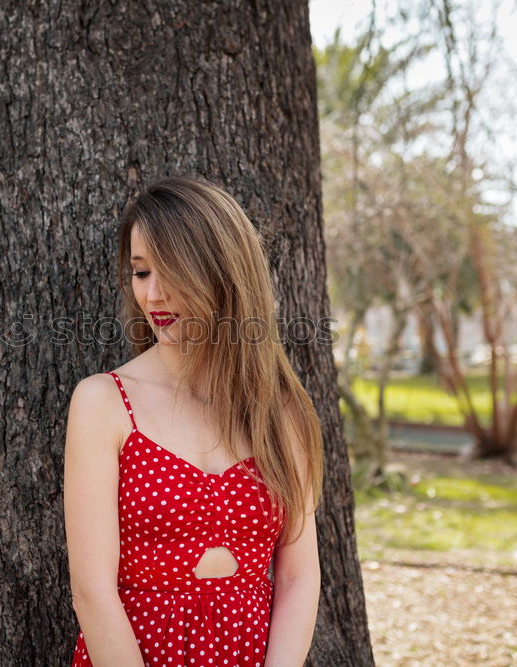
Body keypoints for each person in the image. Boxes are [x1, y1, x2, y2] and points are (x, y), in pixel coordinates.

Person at [64, 176, 324, 666]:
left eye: (173, 273)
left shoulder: (280, 410)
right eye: (141, 272)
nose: (154, 295)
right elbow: (92, 590)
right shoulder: (104, 402)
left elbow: (298, 575)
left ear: (223, 275)